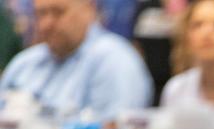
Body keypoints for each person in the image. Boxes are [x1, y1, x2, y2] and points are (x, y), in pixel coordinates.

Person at [0, 0, 152, 117]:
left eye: (58, 12)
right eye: (41, 14)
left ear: (89, 9)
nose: (46, 24)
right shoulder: (24, 64)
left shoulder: (114, 60)